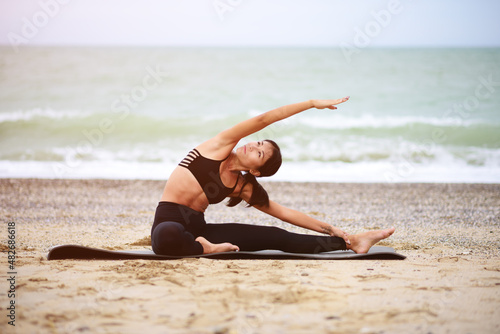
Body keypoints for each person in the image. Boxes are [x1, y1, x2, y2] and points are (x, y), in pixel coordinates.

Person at [151, 97, 395, 256]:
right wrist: (310, 104)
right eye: (258, 143)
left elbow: (284, 213)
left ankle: (353, 243)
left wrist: (331, 229)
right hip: (169, 219)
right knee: (166, 235)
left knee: (277, 236)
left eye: (259, 153)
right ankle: (203, 248)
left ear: (256, 171)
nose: (252, 147)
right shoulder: (219, 146)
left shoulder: (241, 185)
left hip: (198, 228)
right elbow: (265, 119)